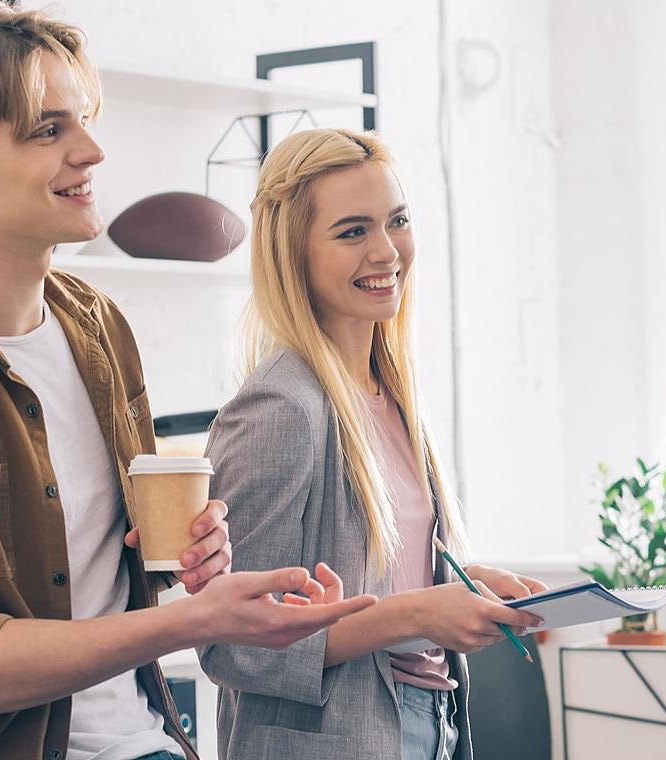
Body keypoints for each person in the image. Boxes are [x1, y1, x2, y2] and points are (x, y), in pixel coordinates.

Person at [0, 5, 375, 759]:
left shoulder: (98, 326)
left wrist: (195, 561)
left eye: (85, 121)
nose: (92, 150)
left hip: (148, 741)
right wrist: (195, 621)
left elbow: (129, 568)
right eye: (48, 131)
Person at [198, 127, 546, 760]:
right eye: (353, 231)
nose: (387, 251)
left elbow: (382, 569)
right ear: (293, 253)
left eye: (398, 221)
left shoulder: (389, 393)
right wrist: (415, 613)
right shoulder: (281, 408)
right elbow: (233, 644)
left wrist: (460, 583)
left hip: (430, 724)